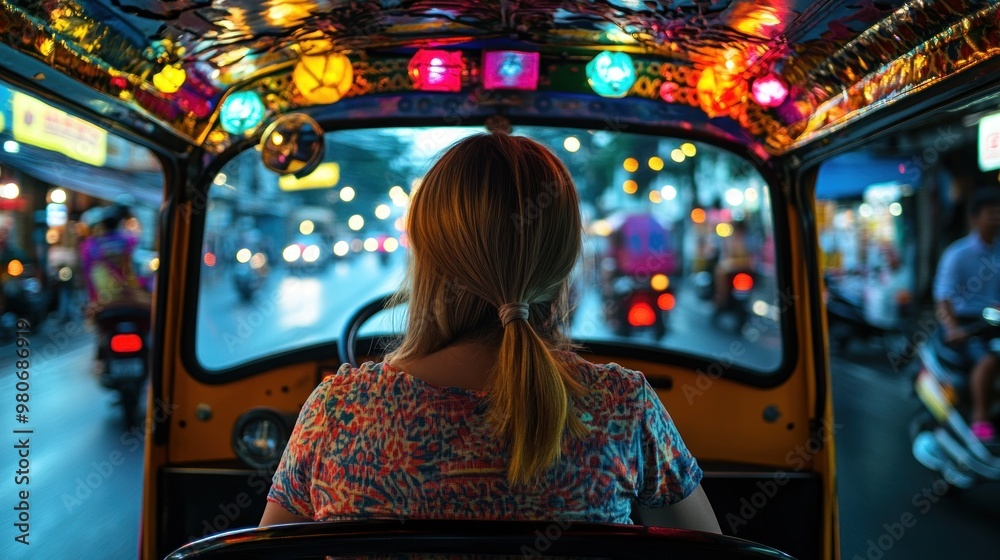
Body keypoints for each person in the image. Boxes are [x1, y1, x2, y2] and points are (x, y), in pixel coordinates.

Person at [261, 133, 719, 532]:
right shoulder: (622, 406)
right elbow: (713, 559)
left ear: (425, 260)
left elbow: (266, 557)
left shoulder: (338, 410)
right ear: (562, 265)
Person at [933, 186, 1000, 441]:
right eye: (992, 213)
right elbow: (944, 297)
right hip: (968, 325)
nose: (997, 218)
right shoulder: (957, 254)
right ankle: (980, 420)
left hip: (994, 321)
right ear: (974, 218)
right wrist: (952, 328)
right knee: (988, 360)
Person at [79, 203, 147, 311]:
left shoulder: (91, 245)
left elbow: (87, 272)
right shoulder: (129, 240)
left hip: (102, 299)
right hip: (128, 297)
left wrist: (93, 299)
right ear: (120, 223)